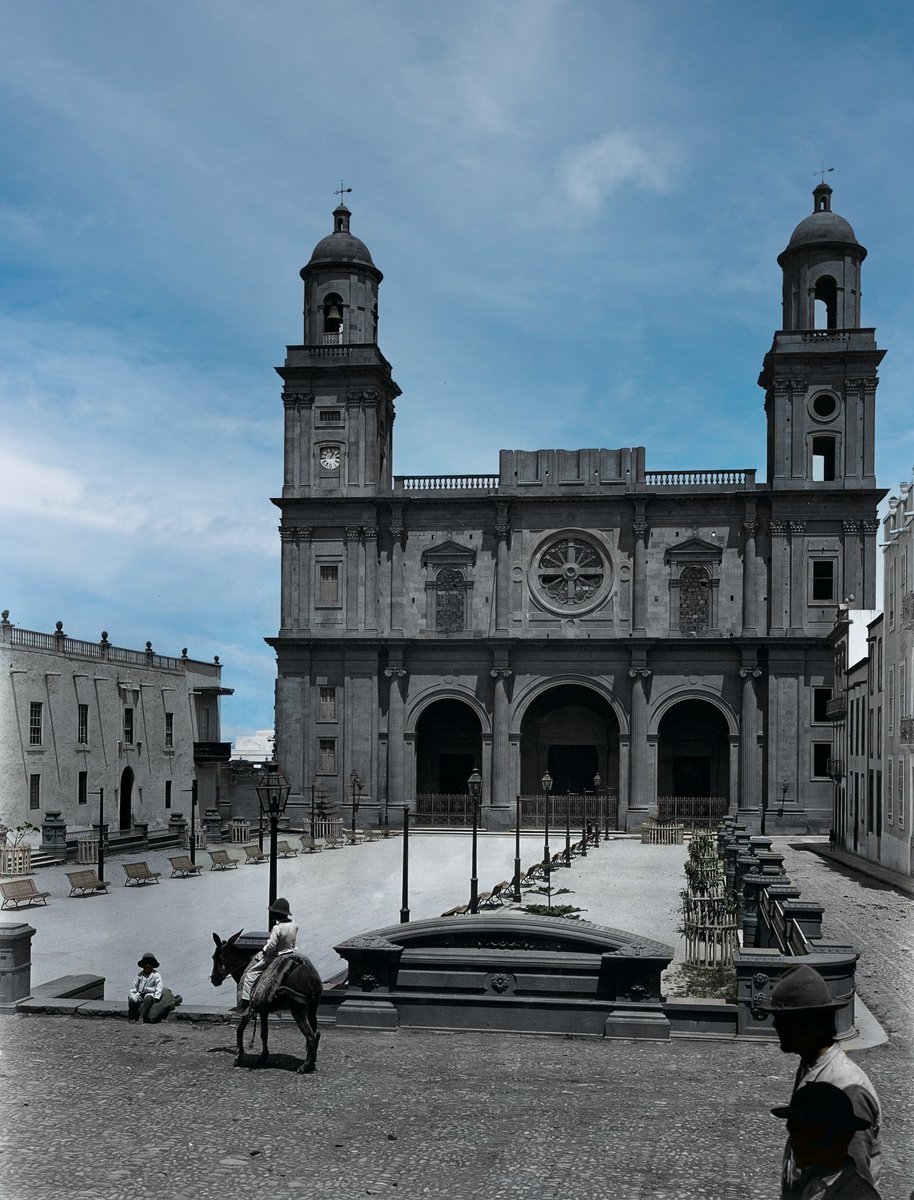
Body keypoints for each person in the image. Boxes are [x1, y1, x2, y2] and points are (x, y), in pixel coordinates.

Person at [764, 964, 881, 1198]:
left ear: (802, 1023)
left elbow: (853, 1179)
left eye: (781, 1018)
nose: (774, 1025)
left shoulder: (846, 1088)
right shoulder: (812, 1066)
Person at [771, 1081, 881, 1199]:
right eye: (793, 1133)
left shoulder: (858, 1196)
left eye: (803, 1134)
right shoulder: (808, 1184)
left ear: (838, 1139)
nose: (794, 1143)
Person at [238, 897, 299, 1012]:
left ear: (278, 914)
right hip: (291, 954)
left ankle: (247, 1001)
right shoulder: (294, 925)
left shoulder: (277, 928)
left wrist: (265, 949)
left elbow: (271, 946)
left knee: (251, 973)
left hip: (278, 956)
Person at [127, 952, 182, 1024]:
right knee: (131, 1000)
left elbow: (159, 987)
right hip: (140, 994)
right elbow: (134, 987)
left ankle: (142, 1017)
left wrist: (156, 997)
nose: (148, 965)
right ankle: (132, 1017)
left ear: (153, 965)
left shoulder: (156, 975)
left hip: (150, 994)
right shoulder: (139, 976)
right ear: (143, 965)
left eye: (150, 964)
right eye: (146, 964)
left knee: (149, 998)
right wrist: (132, 995)